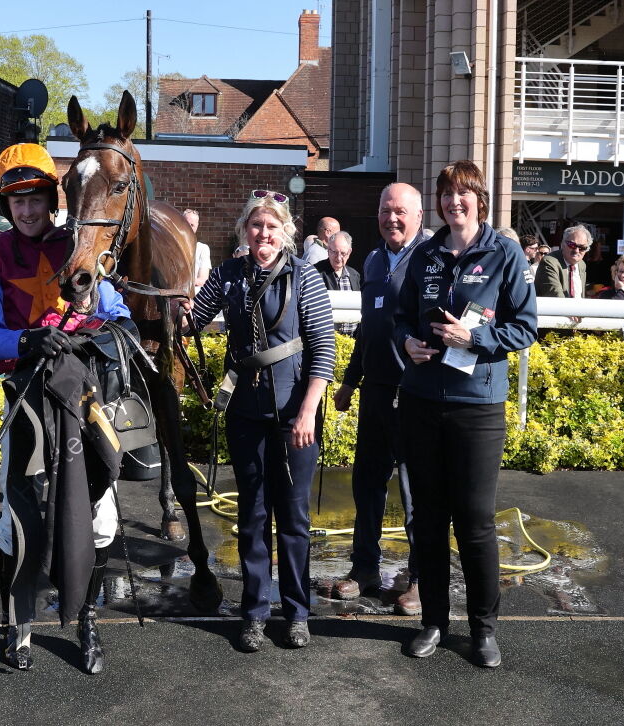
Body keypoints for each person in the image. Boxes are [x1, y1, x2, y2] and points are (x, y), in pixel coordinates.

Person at [0, 143, 131, 674]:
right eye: (15, 201)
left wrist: (101, 316)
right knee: (16, 523)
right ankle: (18, 626)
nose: (27, 210)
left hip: (84, 403)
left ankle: (85, 620)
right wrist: (27, 341)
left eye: (35, 198)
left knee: (100, 516)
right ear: (5, 204)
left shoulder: (78, 247)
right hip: (26, 406)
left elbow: (117, 310)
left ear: (52, 199)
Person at [394, 160, 537, 669]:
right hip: (421, 402)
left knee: (474, 522)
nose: (455, 203)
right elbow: (398, 315)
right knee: (427, 520)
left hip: (477, 408)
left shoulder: (504, 253)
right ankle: (434, 621)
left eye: (463, 194)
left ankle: (484, 629)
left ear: (479, 198)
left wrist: (473, 338)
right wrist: (406, 341)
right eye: (447, 195)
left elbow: (525, 327)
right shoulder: (425, 254)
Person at [188, 189, 335, 652]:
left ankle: (296, 612)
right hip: (246, 414)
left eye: (271, 226)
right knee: (252, 517)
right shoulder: (230, 274)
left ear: (285, 231)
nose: (263, 233)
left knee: (293, 517)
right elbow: (192, 319)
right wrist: (172, 297)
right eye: (256, 226)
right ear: (245, 231)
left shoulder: (305, 277)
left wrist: (308, 411)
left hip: (295, 415)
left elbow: (323, 351)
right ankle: (254, 612)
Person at [331, 183, 427, 614]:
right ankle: (365, 568)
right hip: (374, 392)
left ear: (419, 216)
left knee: (415, 493)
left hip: (415, 394)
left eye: (401, 211)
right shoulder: (371, 260)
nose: (392, 218)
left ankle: (420, 581)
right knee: (366, 485)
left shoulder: (432, 259)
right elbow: (369, 331)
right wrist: (351, 381)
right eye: (386, 210)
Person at [314, 230, 360, 336]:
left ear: (350, 252)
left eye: (343, 253)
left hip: (352, 341)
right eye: (334, 252)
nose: (339, 258)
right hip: (325, 338)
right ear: (328, 250)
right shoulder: (315, 272)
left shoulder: (355, 275)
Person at [535, 225, 591, 299]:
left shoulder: (581, 264)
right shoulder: (549, 262)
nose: (576, 250)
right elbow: (556, 297)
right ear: (563, 244)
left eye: (582, 247)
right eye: (572, 245)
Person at [183, 208, 211, 292]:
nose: (189, 227)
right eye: (186, 223)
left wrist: (181, 284)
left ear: (197, 227)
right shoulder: (171, 247)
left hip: (194, 297)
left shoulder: (203, 249)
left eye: (192, 225)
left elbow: (203, 279)